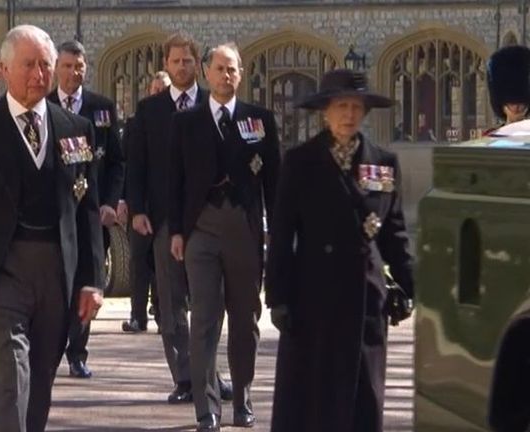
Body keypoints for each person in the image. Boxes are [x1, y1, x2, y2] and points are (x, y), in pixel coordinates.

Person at [0, 24, 104, 432]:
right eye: (29, 65)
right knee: (8, 374)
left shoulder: (74, 129)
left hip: (55, 271)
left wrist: (92, 279)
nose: (39, 74)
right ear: (7, 69)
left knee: (41, 375)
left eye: (45, 65)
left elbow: (88, 210)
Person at [267, 69, 415, 432]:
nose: (349, 114)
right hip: (313, 299)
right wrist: (278, 297)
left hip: (364, 297)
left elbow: (394, 232)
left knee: (363, 396)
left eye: (356, 107)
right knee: (313, 400)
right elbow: (283, 236)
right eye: (341, 106)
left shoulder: (382, 163)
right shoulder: (300, 162)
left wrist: (414, 287)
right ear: (325, 111)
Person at [169, 43, 279, 431]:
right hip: (201, 229)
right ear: (206, 72)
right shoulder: (186, 122)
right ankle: (207, 408)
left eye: (232, 69)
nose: (226, 75)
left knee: (246, 319)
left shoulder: (260, 121)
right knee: (203, 319)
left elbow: (274, 184)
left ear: (241, 73)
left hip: (244, 229)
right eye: (219, 69)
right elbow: (175, 183)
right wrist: (177, 232)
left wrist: (275, 234)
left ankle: (243, 400)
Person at [128, 32, 232, 405]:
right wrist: (137, 209)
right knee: (172, 306)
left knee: (208, 302)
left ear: (199, 66)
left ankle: (211, 376)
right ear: (167, 65)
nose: (182, 67)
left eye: (189, 61)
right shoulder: (149, 110)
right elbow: (135, 164)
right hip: (164, 220)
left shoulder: (213, 104)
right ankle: (186, 378)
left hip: (206, 220)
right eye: (176, 61)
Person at [47, 39, 125, 379]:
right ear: (55, 69)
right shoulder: (43, 104)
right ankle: (48, 348)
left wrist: (109, 202)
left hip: (91, 212)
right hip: (53, 214)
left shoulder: (102, 108)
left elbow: (117, 163)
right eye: (66, 66)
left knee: (87, 279)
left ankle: (77, 352)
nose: (72, 73)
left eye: (78, 67)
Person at [121, 71, 171, 334]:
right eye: (155, 88)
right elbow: (129, 164)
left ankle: (164, 315)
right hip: (142, 204)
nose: (158, 92)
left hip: (167, 207)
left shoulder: (180, 119)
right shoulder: (137, 120)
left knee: (163, 265)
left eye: (164, 88)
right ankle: (138, 315)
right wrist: (126, 201)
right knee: (139, 262)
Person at [484, 45, 530, 136]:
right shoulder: (491, 136)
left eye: (522, 104)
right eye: (511, 104)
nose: (517, 107)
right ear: (503, 105)